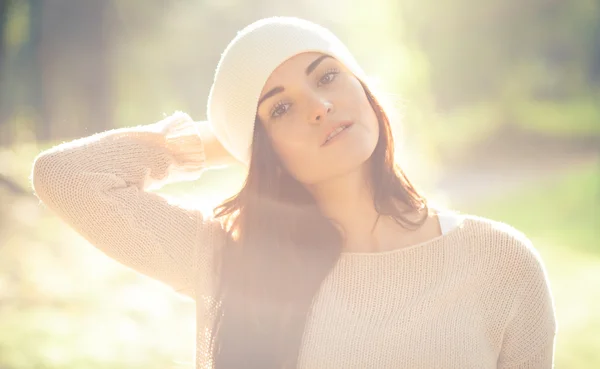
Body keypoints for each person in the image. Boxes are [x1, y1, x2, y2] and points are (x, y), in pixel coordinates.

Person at [31, 16, 557, 369]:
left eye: (327, 76)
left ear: (364, 89)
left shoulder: (500, 262)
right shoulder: (228, 261)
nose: (318, 107)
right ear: (260, 148)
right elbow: (66, 178)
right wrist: (221, 137)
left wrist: (260, 121)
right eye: (280, 108)